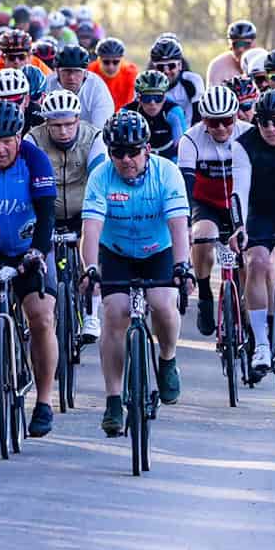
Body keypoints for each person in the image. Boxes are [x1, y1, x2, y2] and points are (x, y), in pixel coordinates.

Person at [81, 112, 193, 435]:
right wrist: (90, 268)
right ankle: (114, 401)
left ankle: (167, 359)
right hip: (115, 252)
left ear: (147, 149)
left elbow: (178, 225)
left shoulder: (167, 173)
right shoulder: (101, 177)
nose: (126, 159)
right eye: (118, 152)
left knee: (162, 303)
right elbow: (91, 229)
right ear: (110, 152)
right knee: (115, 314)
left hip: (158, 251)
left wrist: (182, 266)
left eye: (133, 151)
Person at [0, 100, 60, 436]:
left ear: (19, 137)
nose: (0, 148)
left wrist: (38, 250)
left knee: (42, 317)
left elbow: (47, 213)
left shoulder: (34, 159)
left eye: (7, 141)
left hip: (28, 249)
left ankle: (45, 401)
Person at [31, 89, 106, 341]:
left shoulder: (94, 137)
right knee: (44, 267)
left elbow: (98, 178)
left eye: (69, 124)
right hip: (47, 212)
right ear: (46, 123)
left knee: (92, 257)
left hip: (83, 209)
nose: (63, 131)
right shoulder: (33, 139)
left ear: (78, 119)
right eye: (56, 125)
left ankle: (92, 313)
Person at [178, 84, 252, 337]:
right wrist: (185, 222)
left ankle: (247, 314)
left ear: (236, 117)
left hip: (241, 202)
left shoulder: (249, 134)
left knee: (247, 257)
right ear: (203, 120)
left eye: (226, 121)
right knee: (202, 235)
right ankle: (206, 295)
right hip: (206, 202)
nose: (221, 128)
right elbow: (186, 185)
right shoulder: (190, 139)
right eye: (213, 122)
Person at [232, 90, 275, 375]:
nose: (270, 128)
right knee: (256, 262)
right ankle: (261, 343)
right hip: (262, 212)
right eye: (263, 122)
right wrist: (239, 227)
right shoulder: (244, 144)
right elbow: (239, 191)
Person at [0, 28, 52, 116]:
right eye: (11, 58)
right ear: (3, 58)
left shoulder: (38, 65)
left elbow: (54, 87)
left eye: (21, 57)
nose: (16, 61)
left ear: (30, 56)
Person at [123, 68, 187, 161]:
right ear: (138, 98)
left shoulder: (174, 111)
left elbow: (182, 148)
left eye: (158, 97)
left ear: (165, 97)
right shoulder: (127, 112)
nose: (152, 103)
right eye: (147, 98)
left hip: (168, 157)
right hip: (138, 157)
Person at [45, 43, 112, 128]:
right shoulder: (47, 84)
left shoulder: (97, 89)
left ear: (85, 72)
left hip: (89, 136)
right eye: (66, 71)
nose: (71, 77)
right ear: (57, 71)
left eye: (77, 71)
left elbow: (101, 129)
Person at [150, 36, 205, 124]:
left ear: (180, 65)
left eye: (171, 66)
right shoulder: (145, 84)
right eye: (160, 67)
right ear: (154, 68)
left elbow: (199, 116)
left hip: (189, 133)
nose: (166, 71)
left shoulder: (193, 80)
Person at [88, 37, 139, 110]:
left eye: (115, 62)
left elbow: (129, 105)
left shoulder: (130, 73)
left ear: (122, 60)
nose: (111, 67)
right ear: (98, 59)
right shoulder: (90, 72)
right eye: (106, 62)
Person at [208, 20, 258, 88]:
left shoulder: (263, 62)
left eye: (246, 44)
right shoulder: (217, 66)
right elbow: (212, 94)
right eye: (237, 44)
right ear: (230, 46)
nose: (241, 49)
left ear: (254, 45)